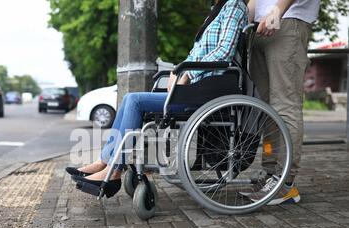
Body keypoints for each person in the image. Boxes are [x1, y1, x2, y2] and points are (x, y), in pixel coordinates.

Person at [67, 0, 249, 198]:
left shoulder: (234, 5)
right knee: (129, 98)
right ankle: (106, 162)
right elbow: (197, 54)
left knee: (135, 101)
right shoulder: (217, 10)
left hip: (206, 92)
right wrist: (178, 69)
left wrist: (187, 73)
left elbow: (224, 52)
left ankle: (113, 169)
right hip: (196, 89)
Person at [246, 0, 320, 205]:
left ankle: (285, 182)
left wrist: (278, 9)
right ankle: (270, 173)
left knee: (285, 105)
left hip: (288, 20)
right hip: (260, 27)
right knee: (267, 109)